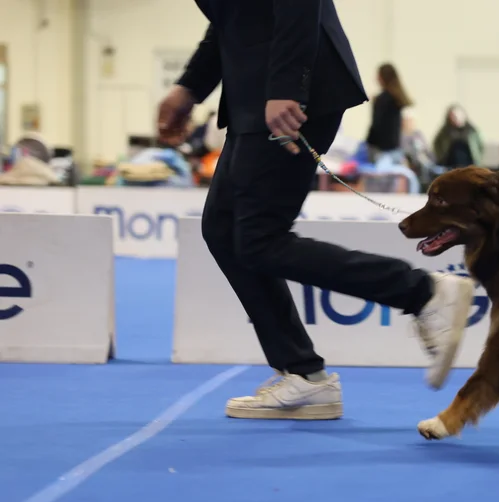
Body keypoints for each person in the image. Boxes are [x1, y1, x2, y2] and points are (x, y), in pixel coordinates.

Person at [157, 0, 474, 421]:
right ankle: (304, 375)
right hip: (257, 95)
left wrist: (288, 85)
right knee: (223, 229)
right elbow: (234, 16)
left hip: (292, 95)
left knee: (258, 239)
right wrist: (190, 88)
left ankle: (422, 292)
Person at [365, 63, 411, 167]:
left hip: (381, 150)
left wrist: (367, 145)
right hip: (395, 150)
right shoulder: (398, 100)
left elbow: (376, 125)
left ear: (382, 77)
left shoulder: (382, 100)